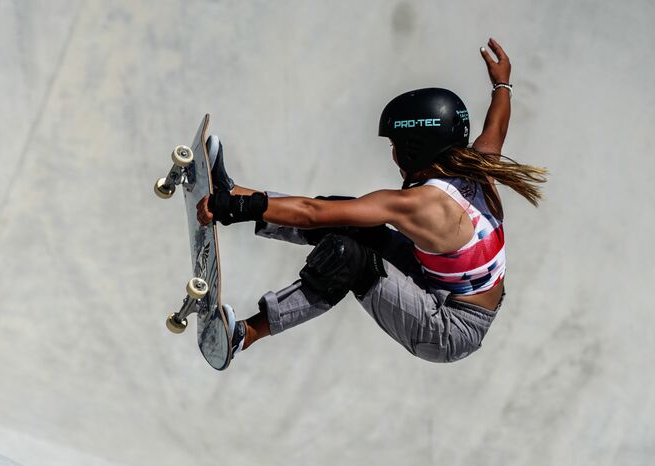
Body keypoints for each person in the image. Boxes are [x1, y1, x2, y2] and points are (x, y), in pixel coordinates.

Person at [197, 39, 546, 365]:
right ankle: (234, 190)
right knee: (348, 219)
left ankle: (243, 335)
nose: (393, 155)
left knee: (346, 257)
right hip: (440, 285)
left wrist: (236, 211)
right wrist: (502, 84)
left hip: (448, 329)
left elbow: (312, 214)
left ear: (415, 148)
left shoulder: (421, 204)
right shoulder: (480, 166)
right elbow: (497, 123)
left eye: (395, 145)